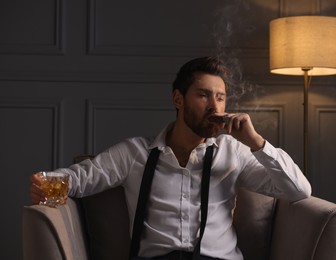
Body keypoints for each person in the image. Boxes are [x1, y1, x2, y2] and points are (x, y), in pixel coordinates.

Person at [30, 56, 311, 260]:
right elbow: (82, 178)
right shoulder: (134, 153)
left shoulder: (234, 152)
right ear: (178, 99)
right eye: (203, 95)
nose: (214, 105)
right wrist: (44, 182)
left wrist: (257, 143)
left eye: (221, 97)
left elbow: (298, 190)